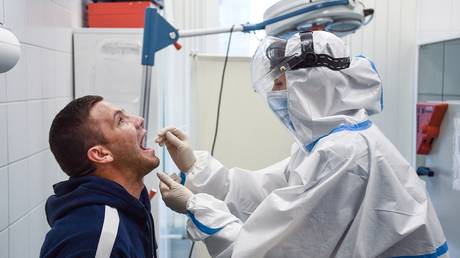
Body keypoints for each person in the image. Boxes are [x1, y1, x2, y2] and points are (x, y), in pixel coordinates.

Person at [155, 31, 449, 258]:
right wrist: (195, 166)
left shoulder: (342, 152)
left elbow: (270, 250)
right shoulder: (329, 143)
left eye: (282, 84)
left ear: (312, 84)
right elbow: (262, 193)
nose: (276, 95)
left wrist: (196, 205)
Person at [40, 95, 159, 258]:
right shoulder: (97, 239)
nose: (139, 120)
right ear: (101, 154)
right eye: (120, 121)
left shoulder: (132, 207)